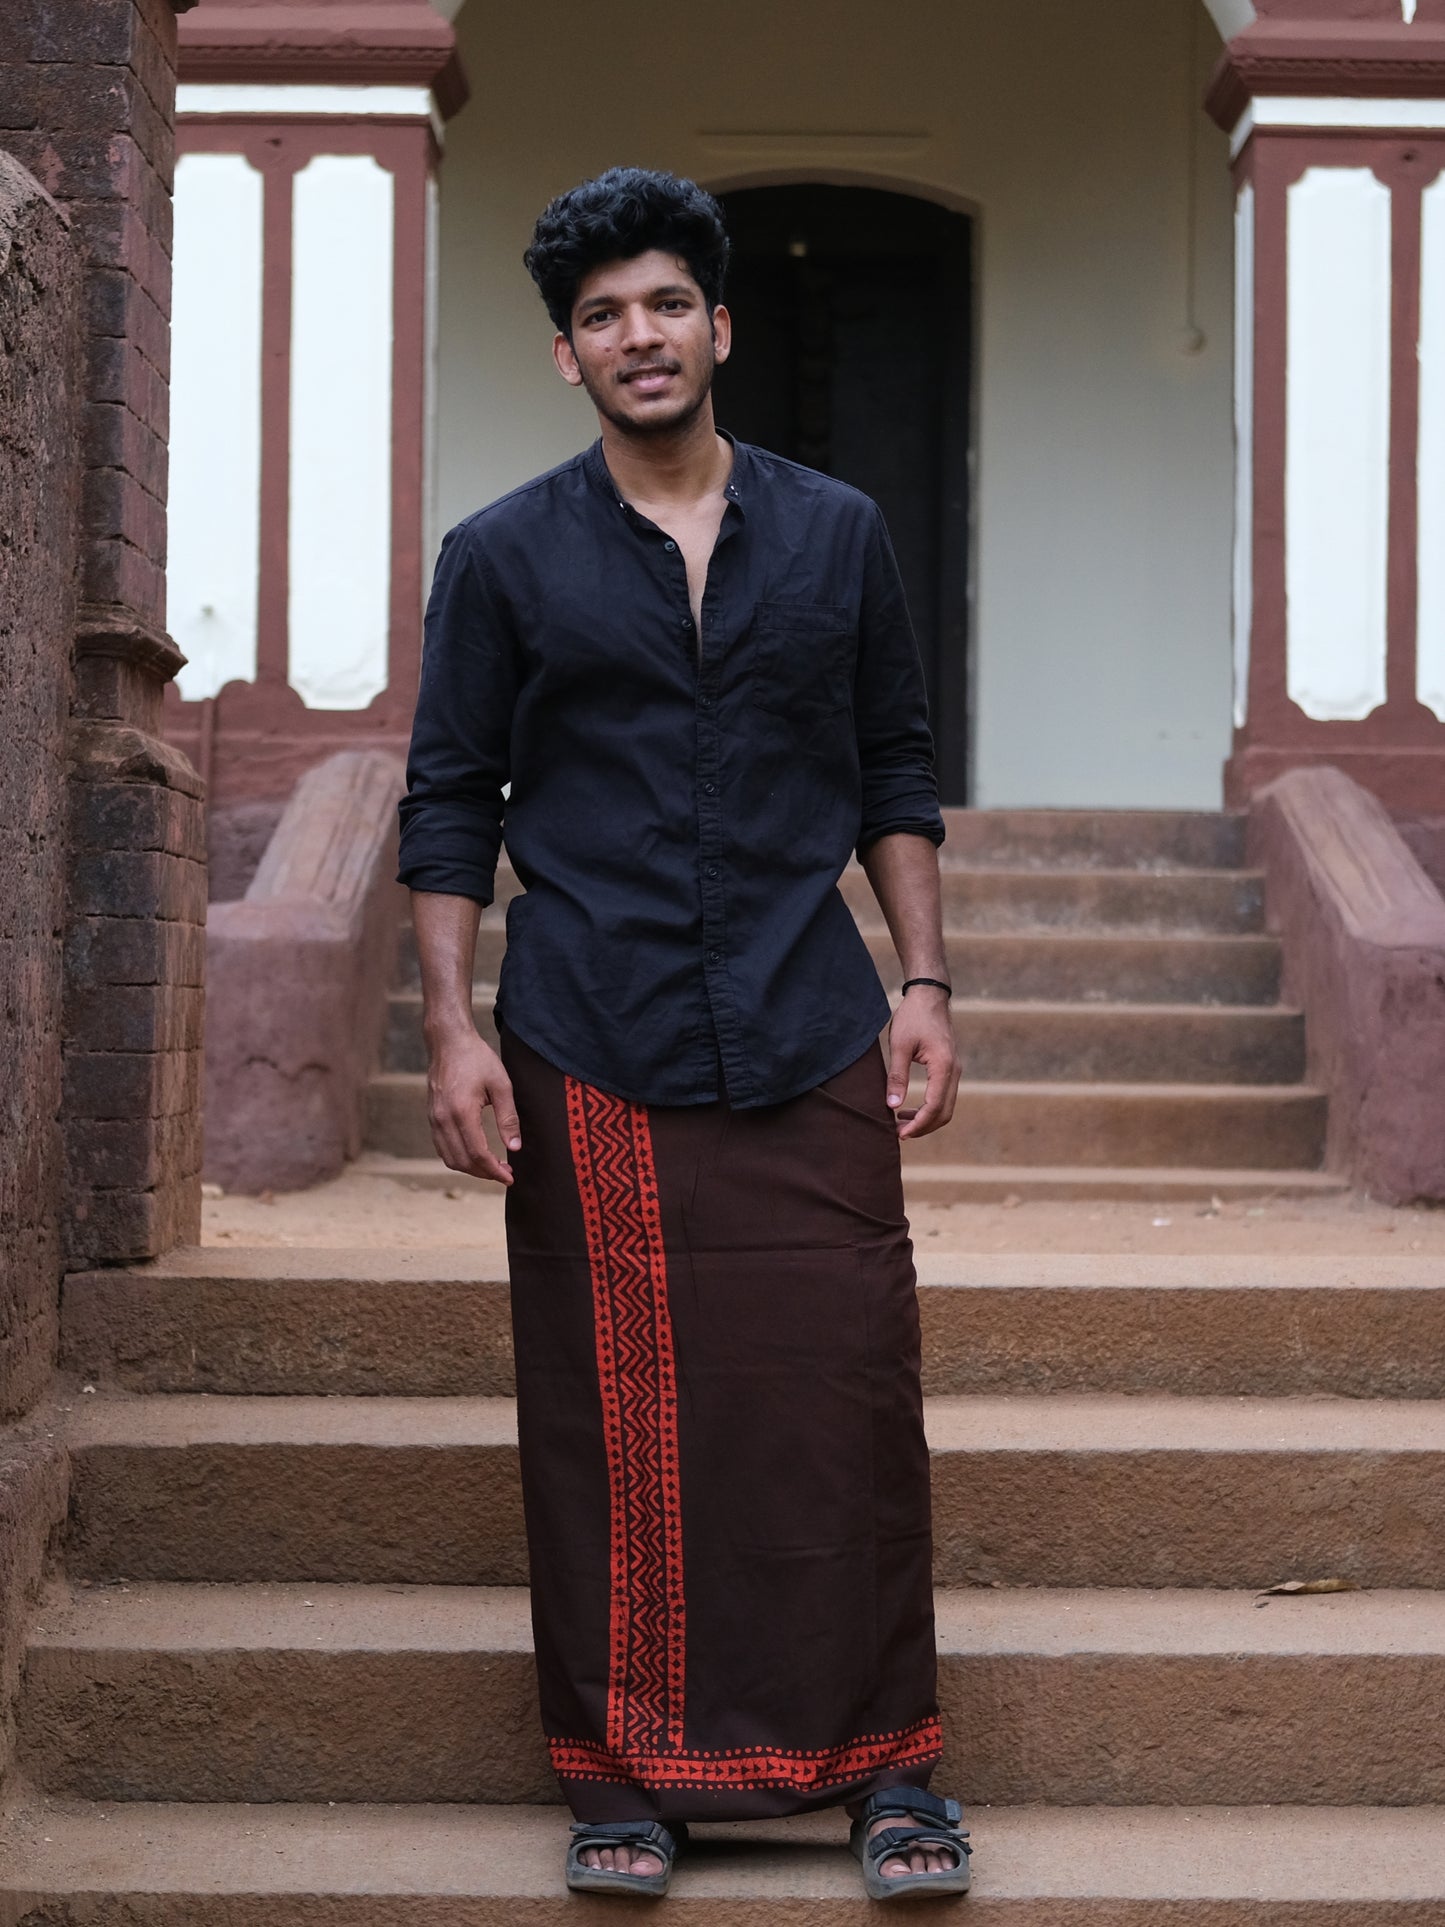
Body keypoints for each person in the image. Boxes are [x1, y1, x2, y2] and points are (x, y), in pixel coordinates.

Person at [397, 166, 971, 1903]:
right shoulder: (501, 557)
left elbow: (891, 769)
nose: (635, 337)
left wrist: (923, 985)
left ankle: (889, 1775)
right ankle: (621, 1777)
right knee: (610, 1410)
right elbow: (448, 801)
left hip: (807, 1026)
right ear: (566, 357)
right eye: (599, 316)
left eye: (662, 305)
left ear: (716, 328)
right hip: (591, 1030)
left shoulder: (838, 534)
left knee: (842, 1400)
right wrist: (449, 1028)